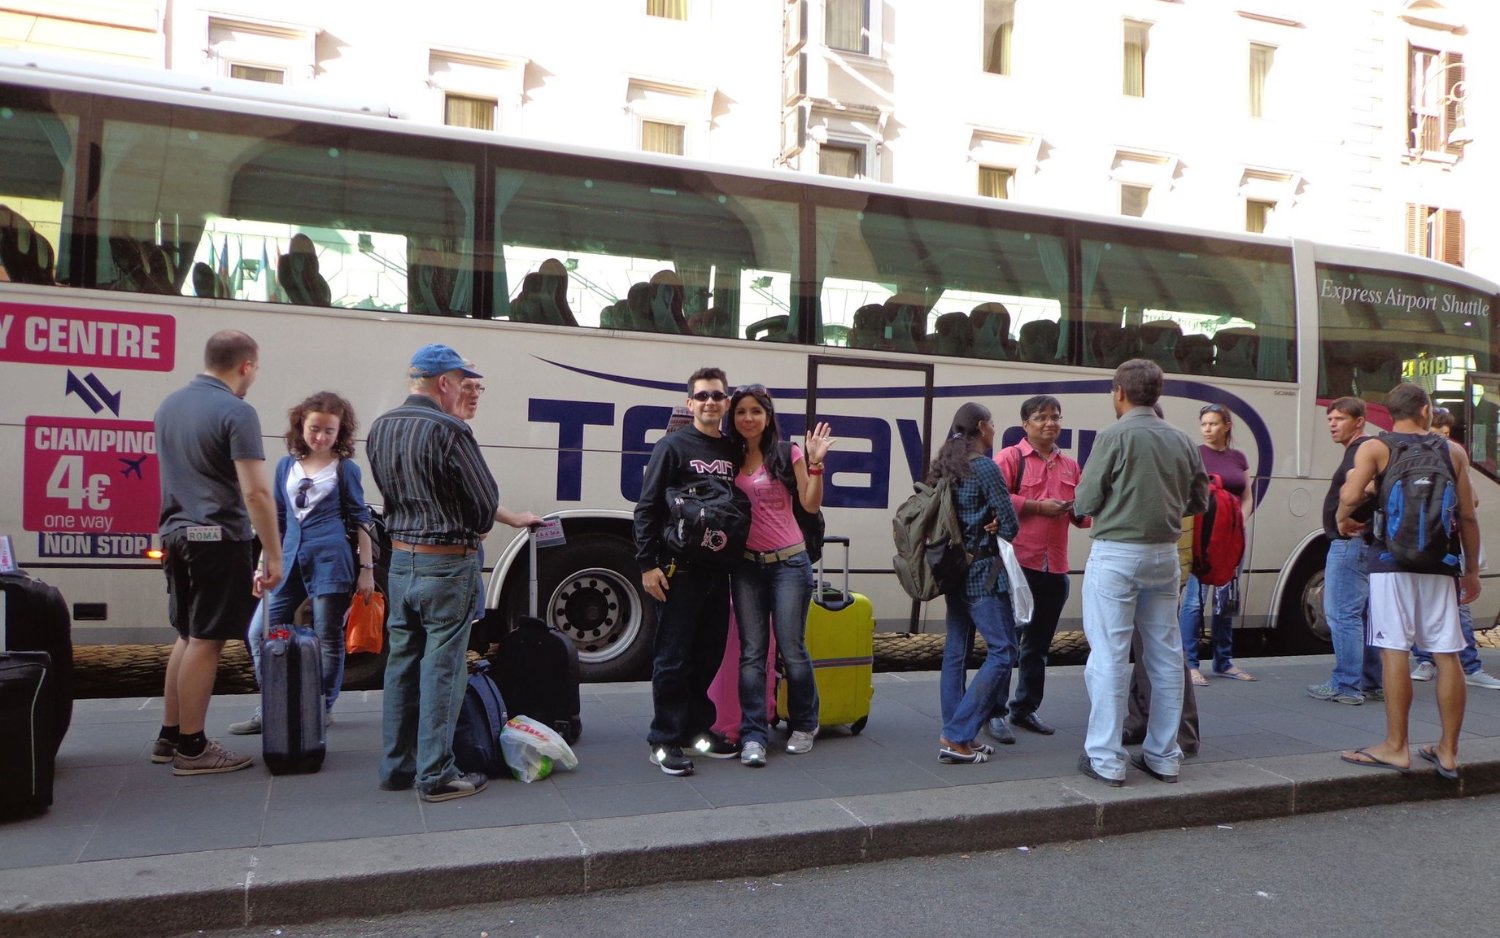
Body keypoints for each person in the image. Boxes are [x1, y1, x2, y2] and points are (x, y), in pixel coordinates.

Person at [367, 344, 500, 802]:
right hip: (447, 562)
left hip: (400, 561)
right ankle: (437, 774)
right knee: (442, 667)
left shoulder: (381, 426)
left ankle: (395, 766)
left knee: (401, 663)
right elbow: (483, 506)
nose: (465, 389)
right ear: (443, 383)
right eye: (462, 381)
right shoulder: (451, 430)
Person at [150, 330, 282, 775]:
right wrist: (274, 555)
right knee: (207, 641)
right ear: (246, 365)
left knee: (187, 635)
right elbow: (257, 493)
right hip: (217, 539)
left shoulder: (169, 406)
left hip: (175, 535)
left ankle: (170, 735)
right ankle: (193, 748)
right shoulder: (236, 411)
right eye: (257, 369)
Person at [1074, 359, 1209, 786]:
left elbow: (1086, 500)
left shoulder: (1113, 437)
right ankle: (1164, 755)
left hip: (1116, 554)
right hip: (1163, 556)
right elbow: (1199, 500)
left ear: (1119, 392)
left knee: (1110, 655)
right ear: (1158, 392)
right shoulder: (1182, 440)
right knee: (1166, 655)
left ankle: (1106, 757)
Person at [1336, 383, 1481, 778]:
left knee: (1394, 648)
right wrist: (1471, 570)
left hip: (1390, 560)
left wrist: (1343, 516)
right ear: (1424, 411)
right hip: (1441, 561)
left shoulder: (1376, 447)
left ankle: (1397, 746)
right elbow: (1468, 515)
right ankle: (1449, 751)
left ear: (1391, 413)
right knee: (1447, 652)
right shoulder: (1453, 452)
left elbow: (1348, 497)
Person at [230, 393, 375, 736]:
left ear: (340, 433)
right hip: (288, 558)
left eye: (329, 430)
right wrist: (262, 565)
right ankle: (272, 706)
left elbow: (361, 519)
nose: (320, 437)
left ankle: (321, 705)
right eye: (314, 428)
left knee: (328, 637)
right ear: (301, 426)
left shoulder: (346, 470)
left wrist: (367, 571)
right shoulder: (285, 465)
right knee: (259, 632)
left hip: (331, 560)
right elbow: (277, 520)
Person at [634, 367, 743, 776]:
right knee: (673, 657)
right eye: (702, 396)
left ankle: (697, 730)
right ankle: (663, 740)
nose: (710, 402)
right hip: (678, 571)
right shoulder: (673, 447)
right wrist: (647, 565)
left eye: (717, 396)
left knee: (708, 654)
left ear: (726, 402)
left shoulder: (732, 451)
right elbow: (647, 508)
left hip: (719, 572)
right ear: (689, 403)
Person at [725, 384, 834, 767]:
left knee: (792, 649)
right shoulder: (728, 455)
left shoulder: (787, 453)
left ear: (767, 416)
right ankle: (754, 735)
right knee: (752, 654)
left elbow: (809, 502)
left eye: (755, 411)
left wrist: (816, 462)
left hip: (789, 563)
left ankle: (805, 724)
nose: (748, 418)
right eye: (741, 412)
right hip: (746, 566)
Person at [987, 394, 1089, 743]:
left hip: (1055, 567)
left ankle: (1025, 707)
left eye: (1056, 417)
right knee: (1007, 644)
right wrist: (1037, 507)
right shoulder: (1009, 458)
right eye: (1042, 417)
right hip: (1017, 565)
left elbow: (1083, 518)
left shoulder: (1071, 466)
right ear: (1026, 423)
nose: (1050, 423)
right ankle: (994, 711)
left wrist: (1081, 506)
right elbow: (992, 497)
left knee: (1038, 646)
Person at [932, 402, 1021, 764]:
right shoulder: (983, 466)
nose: (994, 430)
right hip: (983, 574)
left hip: (951, 570)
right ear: (982, 426)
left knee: (956, 653)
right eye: (993, 424)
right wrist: (999, 524)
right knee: (1003, 651)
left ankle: (956, 732)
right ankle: (957, 734)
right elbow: (1011, 524)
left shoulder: (943, 465)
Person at [1410, 407, 1500, 690]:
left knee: (1456, 604)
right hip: (1421, 540)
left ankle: (1468, 664)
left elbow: (1471, 502)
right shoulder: (1414, 454)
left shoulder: (1453, 455)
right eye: (1439, 433)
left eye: (1447, 434)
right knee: (1423, 603)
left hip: (1447, 541)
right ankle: (1428, 660)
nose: (1443, 440)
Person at [1307, 397, 1384, 705]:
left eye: (1339, 419)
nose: (1332, 425)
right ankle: (1370, 683)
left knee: (1342, 614)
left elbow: (1365, 487)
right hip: (1362, 543)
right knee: (1361, 615)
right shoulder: (1365, 450)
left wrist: (1344, 516)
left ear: (1359, 421)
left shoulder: (1360, 451)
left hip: (1349, 543)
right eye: (1329, 420)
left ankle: (1346, 685)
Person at [454, 375, 544, 636]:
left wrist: (515, 519)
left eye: (478, 388)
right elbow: (479, 498)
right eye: (467, 387)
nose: (475, 395)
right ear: (445, 388)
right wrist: (479, 523)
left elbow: (480, 497)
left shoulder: (455, 431)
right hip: (455, 558)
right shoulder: (453, 434)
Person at [1179, 403, 1254, 685]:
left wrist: (1241, 520)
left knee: (1225, 601)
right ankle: (1190, 662)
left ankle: (1224, 661)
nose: (1208, 429)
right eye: (1204, 424)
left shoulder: (1238, 457)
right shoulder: (1196, 455)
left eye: (1213, 424)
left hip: (1231, 538)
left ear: (1227, 426)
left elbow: (1246, 495)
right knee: (1194, 602)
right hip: (1202, 536)